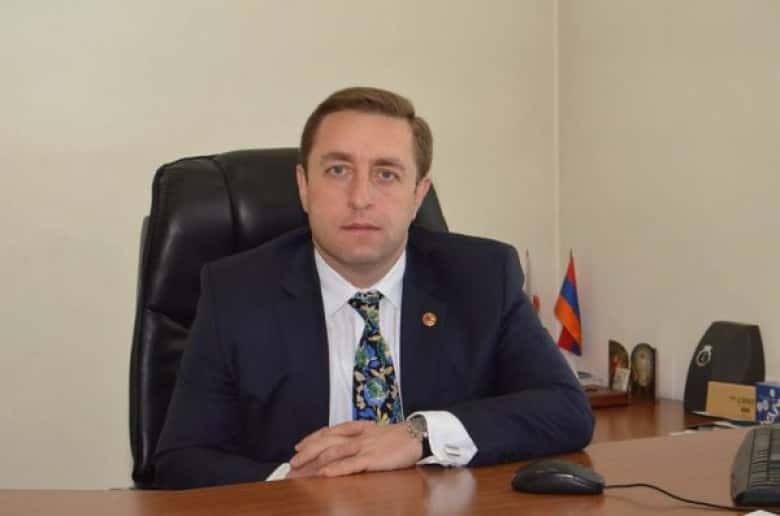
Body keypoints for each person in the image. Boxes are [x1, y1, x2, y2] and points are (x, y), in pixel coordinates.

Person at [154, 86, 594, 489]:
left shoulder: (482, 277)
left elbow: (566, 410)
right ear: (304, 187)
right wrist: (294, 481)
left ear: (418, 195)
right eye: (338, 170)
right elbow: (180, 460)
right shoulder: (236, 292)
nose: (360, 197)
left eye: (386, 174)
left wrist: (419, 435)